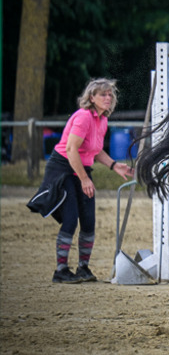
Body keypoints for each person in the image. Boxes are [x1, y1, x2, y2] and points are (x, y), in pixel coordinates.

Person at [27, 78, 134, 283]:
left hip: (82, 168)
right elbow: (70, 149)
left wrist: (113, 165)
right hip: (63, 168)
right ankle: (61, 270)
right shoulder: (84, 117)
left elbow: (95, 150)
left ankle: (83, 267)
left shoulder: (102, 120)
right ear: (91, 98)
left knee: (88, 220)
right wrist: (84, 179)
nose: (108, 98)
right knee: (70, 218)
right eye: (103, 94)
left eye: (110, 94)